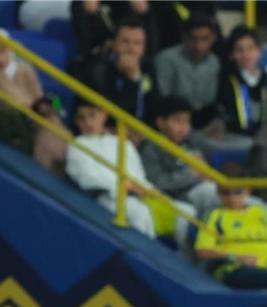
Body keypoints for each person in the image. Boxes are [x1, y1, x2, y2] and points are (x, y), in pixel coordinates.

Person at [65, 99, 156, 238]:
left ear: (104, 115)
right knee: (139, 212)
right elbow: (86, 179)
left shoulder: (123, 143)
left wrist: (149, 189)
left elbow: (139, 176)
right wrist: (125, 187)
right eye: (81, 118)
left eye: (92, 115)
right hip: (108, 199)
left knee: (184, 211)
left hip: (137, 195)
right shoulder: (77, 146)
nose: (88, 122)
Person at [193, 166, 267, 291]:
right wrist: (237, 257)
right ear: (217, 192)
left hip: (266, 269)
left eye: (237, 192)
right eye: (225, 193)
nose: (231, 198)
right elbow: (202, 250)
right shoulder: (215, 216)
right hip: (233, 270)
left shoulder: (260, 212)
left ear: (248, 190)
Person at [83, 15, 158, 126]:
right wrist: (131, 79)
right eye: (125, 42)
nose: (131, 48)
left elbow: (155, 108)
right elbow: (111, 116)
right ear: (114, 44)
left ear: (144, 48)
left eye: (137, 43)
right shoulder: (99, 69)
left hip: (144, 132)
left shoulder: (148, 67)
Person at [153, 15, 221, 128]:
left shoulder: (214, 62)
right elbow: (163, 100)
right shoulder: (166, 59)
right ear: (184, 37)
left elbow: (210, 101)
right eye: (193, 38)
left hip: (202, 122)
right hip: (172, 123)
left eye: (205, 39)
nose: (199, 46)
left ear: (214, 38)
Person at [214, 26, 267, 141]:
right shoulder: (226, 82)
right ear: (231, 55)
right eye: (239, 50)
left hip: (264, 137)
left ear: (259, 52)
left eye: (250, 48)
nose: (246, 54)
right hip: (234, 136)